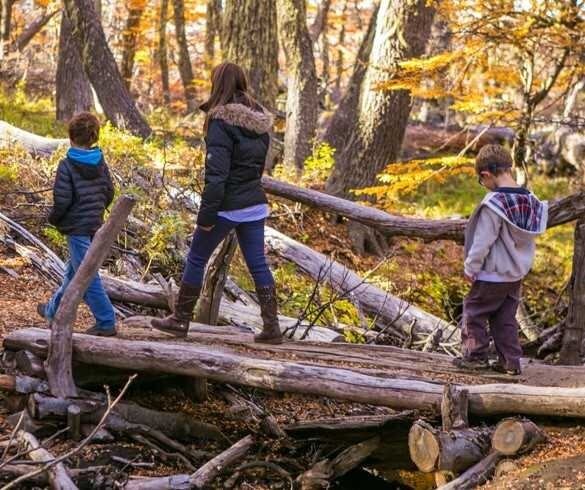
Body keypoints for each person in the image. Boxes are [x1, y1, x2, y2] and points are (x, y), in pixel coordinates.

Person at [151, 62, 283, 344]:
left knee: (197, 257)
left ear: (217, 83)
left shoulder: (220, 121)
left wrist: (206, 215)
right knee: (258, 265)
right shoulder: (259, 122)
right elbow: (258, 168)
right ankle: (272, 327)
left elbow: (217, 175)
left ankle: (180, 320)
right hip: (254, 203)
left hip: (226, 205)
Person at [454, 144, 548, 375]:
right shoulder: (531, 201)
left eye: (481, 180)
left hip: (492, 272)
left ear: (486, 174)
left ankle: (474, 356)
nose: (483, 186)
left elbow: (483, 241)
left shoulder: (494, 204)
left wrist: (470, 267)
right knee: (504, 317)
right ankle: (511, 362)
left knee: (473, 311)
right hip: (515, 273)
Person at [37, 112, 117, 337]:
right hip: (94, 225)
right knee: (73, 273)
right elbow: (109, 192)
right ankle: (52, 310)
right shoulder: (100, 161)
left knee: (87, 275)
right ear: (94, 137)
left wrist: (54, 219)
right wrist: (95, 212)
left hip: (77, 228)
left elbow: (62, 201)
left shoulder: (67, 164)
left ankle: (106, 321)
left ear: (71, 137)